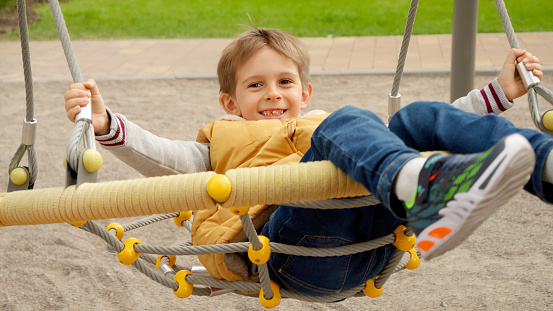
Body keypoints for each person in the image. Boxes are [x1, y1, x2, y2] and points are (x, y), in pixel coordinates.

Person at [64, 28, 551, 297]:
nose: (273, 94)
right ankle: (414, 187)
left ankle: (543, 166)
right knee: (350, 122)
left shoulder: (328, 127)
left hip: (373, 243)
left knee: (417, 117)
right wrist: (106, 122)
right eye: (255, 86)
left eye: (284, 82)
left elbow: (425, 125)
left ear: (304, 91)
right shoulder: (222, 143)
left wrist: (498, 94)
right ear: (230, 103)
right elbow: (161, 157)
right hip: (288, 250)